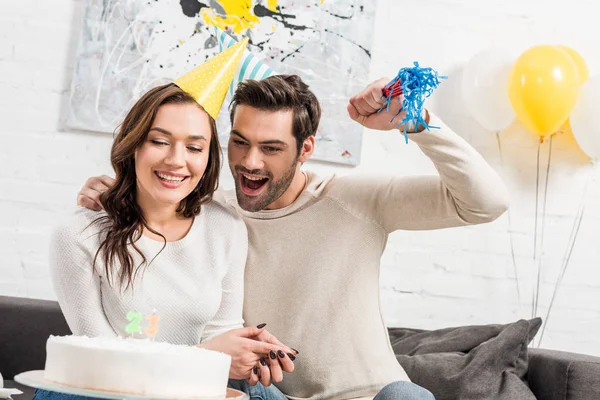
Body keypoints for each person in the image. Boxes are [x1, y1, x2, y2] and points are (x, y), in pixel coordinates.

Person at [78, 74, 510, 400]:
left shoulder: (357, 200)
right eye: (240, 143)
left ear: (305, 149)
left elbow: (486, 203)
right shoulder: (207, 217)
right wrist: (115, 197)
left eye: (271, 148)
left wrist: (418, 122)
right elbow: (154, 308)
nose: (249, 162)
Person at [38, 50, 297, 400]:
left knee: (264, 395)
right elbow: (99, 361)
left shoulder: (225, 226)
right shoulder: (79, 234)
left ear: (208, 159)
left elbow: (222, 331)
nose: (176, 160)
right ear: (134, 145)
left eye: (194, 147)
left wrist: (246, 352)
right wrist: (209, 356)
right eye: (159, 141)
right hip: (101, 390)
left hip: (187, 384)